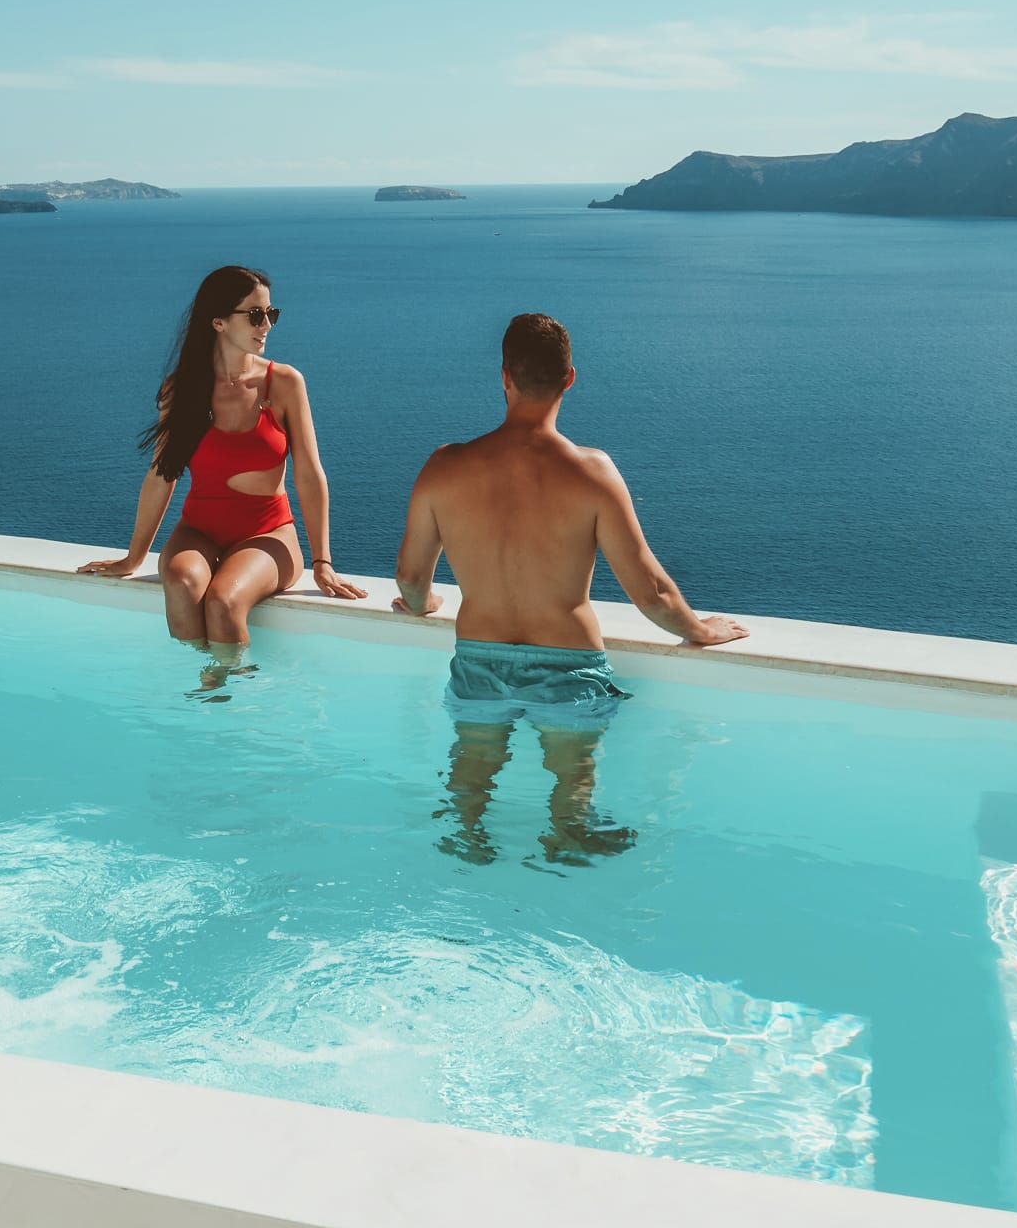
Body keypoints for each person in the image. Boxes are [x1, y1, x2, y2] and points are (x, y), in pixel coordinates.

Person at [392, 310, 747, 862]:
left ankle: (468, 839)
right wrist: (701, 629)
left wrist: (424, 605)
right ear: (570, 378)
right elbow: (649, 591)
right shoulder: (592, 472)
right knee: (572, 778)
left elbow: (412, 580)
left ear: (504, 377)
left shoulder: (445, 466)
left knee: (472, 769)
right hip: (566, 662)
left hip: (479, 659)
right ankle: (565, 836)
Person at [80, 262, 365, 673]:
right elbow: (163, 474)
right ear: (217, 322)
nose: (266, 324)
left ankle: (232, 703)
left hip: (269, 535)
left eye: (271, 313)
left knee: (224, 601)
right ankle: (209, 690)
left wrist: (323, 562)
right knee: (180, 583)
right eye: (254, 314)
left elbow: (308, 474)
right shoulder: (181, 389)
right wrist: (133, 557)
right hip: (198, 531)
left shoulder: (283, 383)